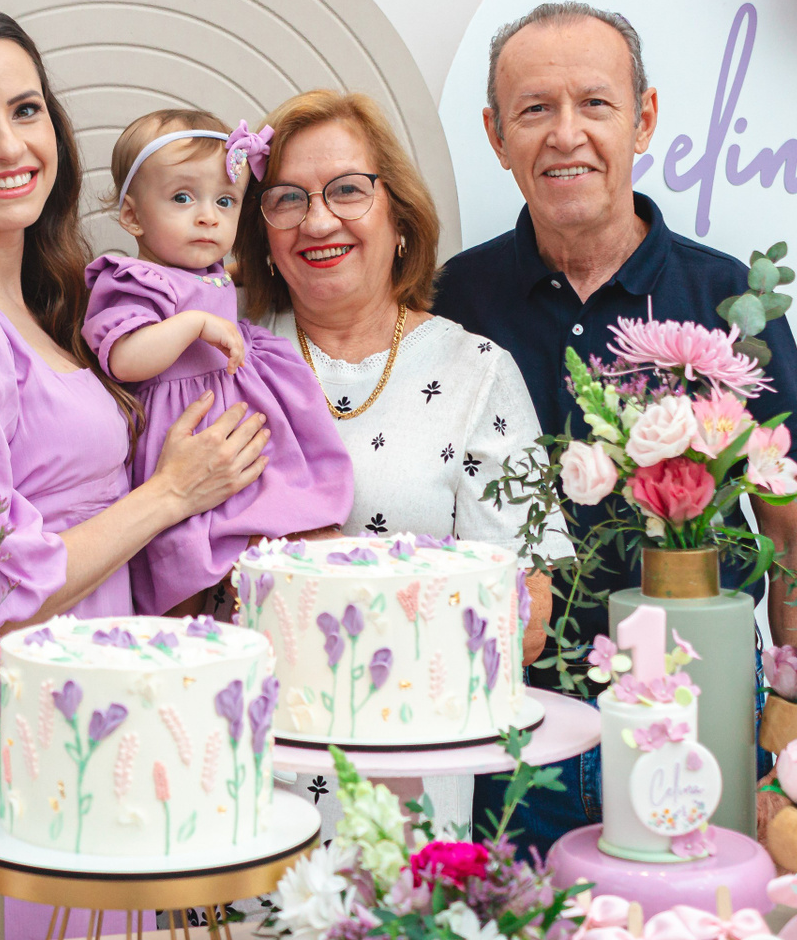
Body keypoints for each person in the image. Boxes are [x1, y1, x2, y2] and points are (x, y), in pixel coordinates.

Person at [431, 0, 797, 854]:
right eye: (534, 109)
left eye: (595, 103)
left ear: (644, 119)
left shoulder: (728, 301)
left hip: (704, 710)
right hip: (514, 728)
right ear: (497, 135)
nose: (566, 134)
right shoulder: (454, 302)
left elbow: (795, 530)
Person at [0, 6, 271, 631]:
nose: (9, 146)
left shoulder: (47, 303)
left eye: (25, 110)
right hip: (25, 683)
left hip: (103, 667)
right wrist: (171, 493)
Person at [233, 89, 560, 832]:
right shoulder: (221, 359)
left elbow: (528, 614)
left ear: (400, 217)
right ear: (265, 232)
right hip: (238, 780)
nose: (318, 221)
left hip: (409, 787)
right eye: (287, 199)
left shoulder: (477, 371)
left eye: (347, 190)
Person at [85, 108, 351, 617]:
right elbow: (124, 357)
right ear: (133, 217)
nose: (208, 216)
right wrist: (191, 325)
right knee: (183, 555)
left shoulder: (209, 270)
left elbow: (221, 279)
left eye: (224, 201)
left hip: (227, 421)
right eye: (182, 198)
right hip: (177, 435)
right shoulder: (133, 280)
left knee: (271, 517)